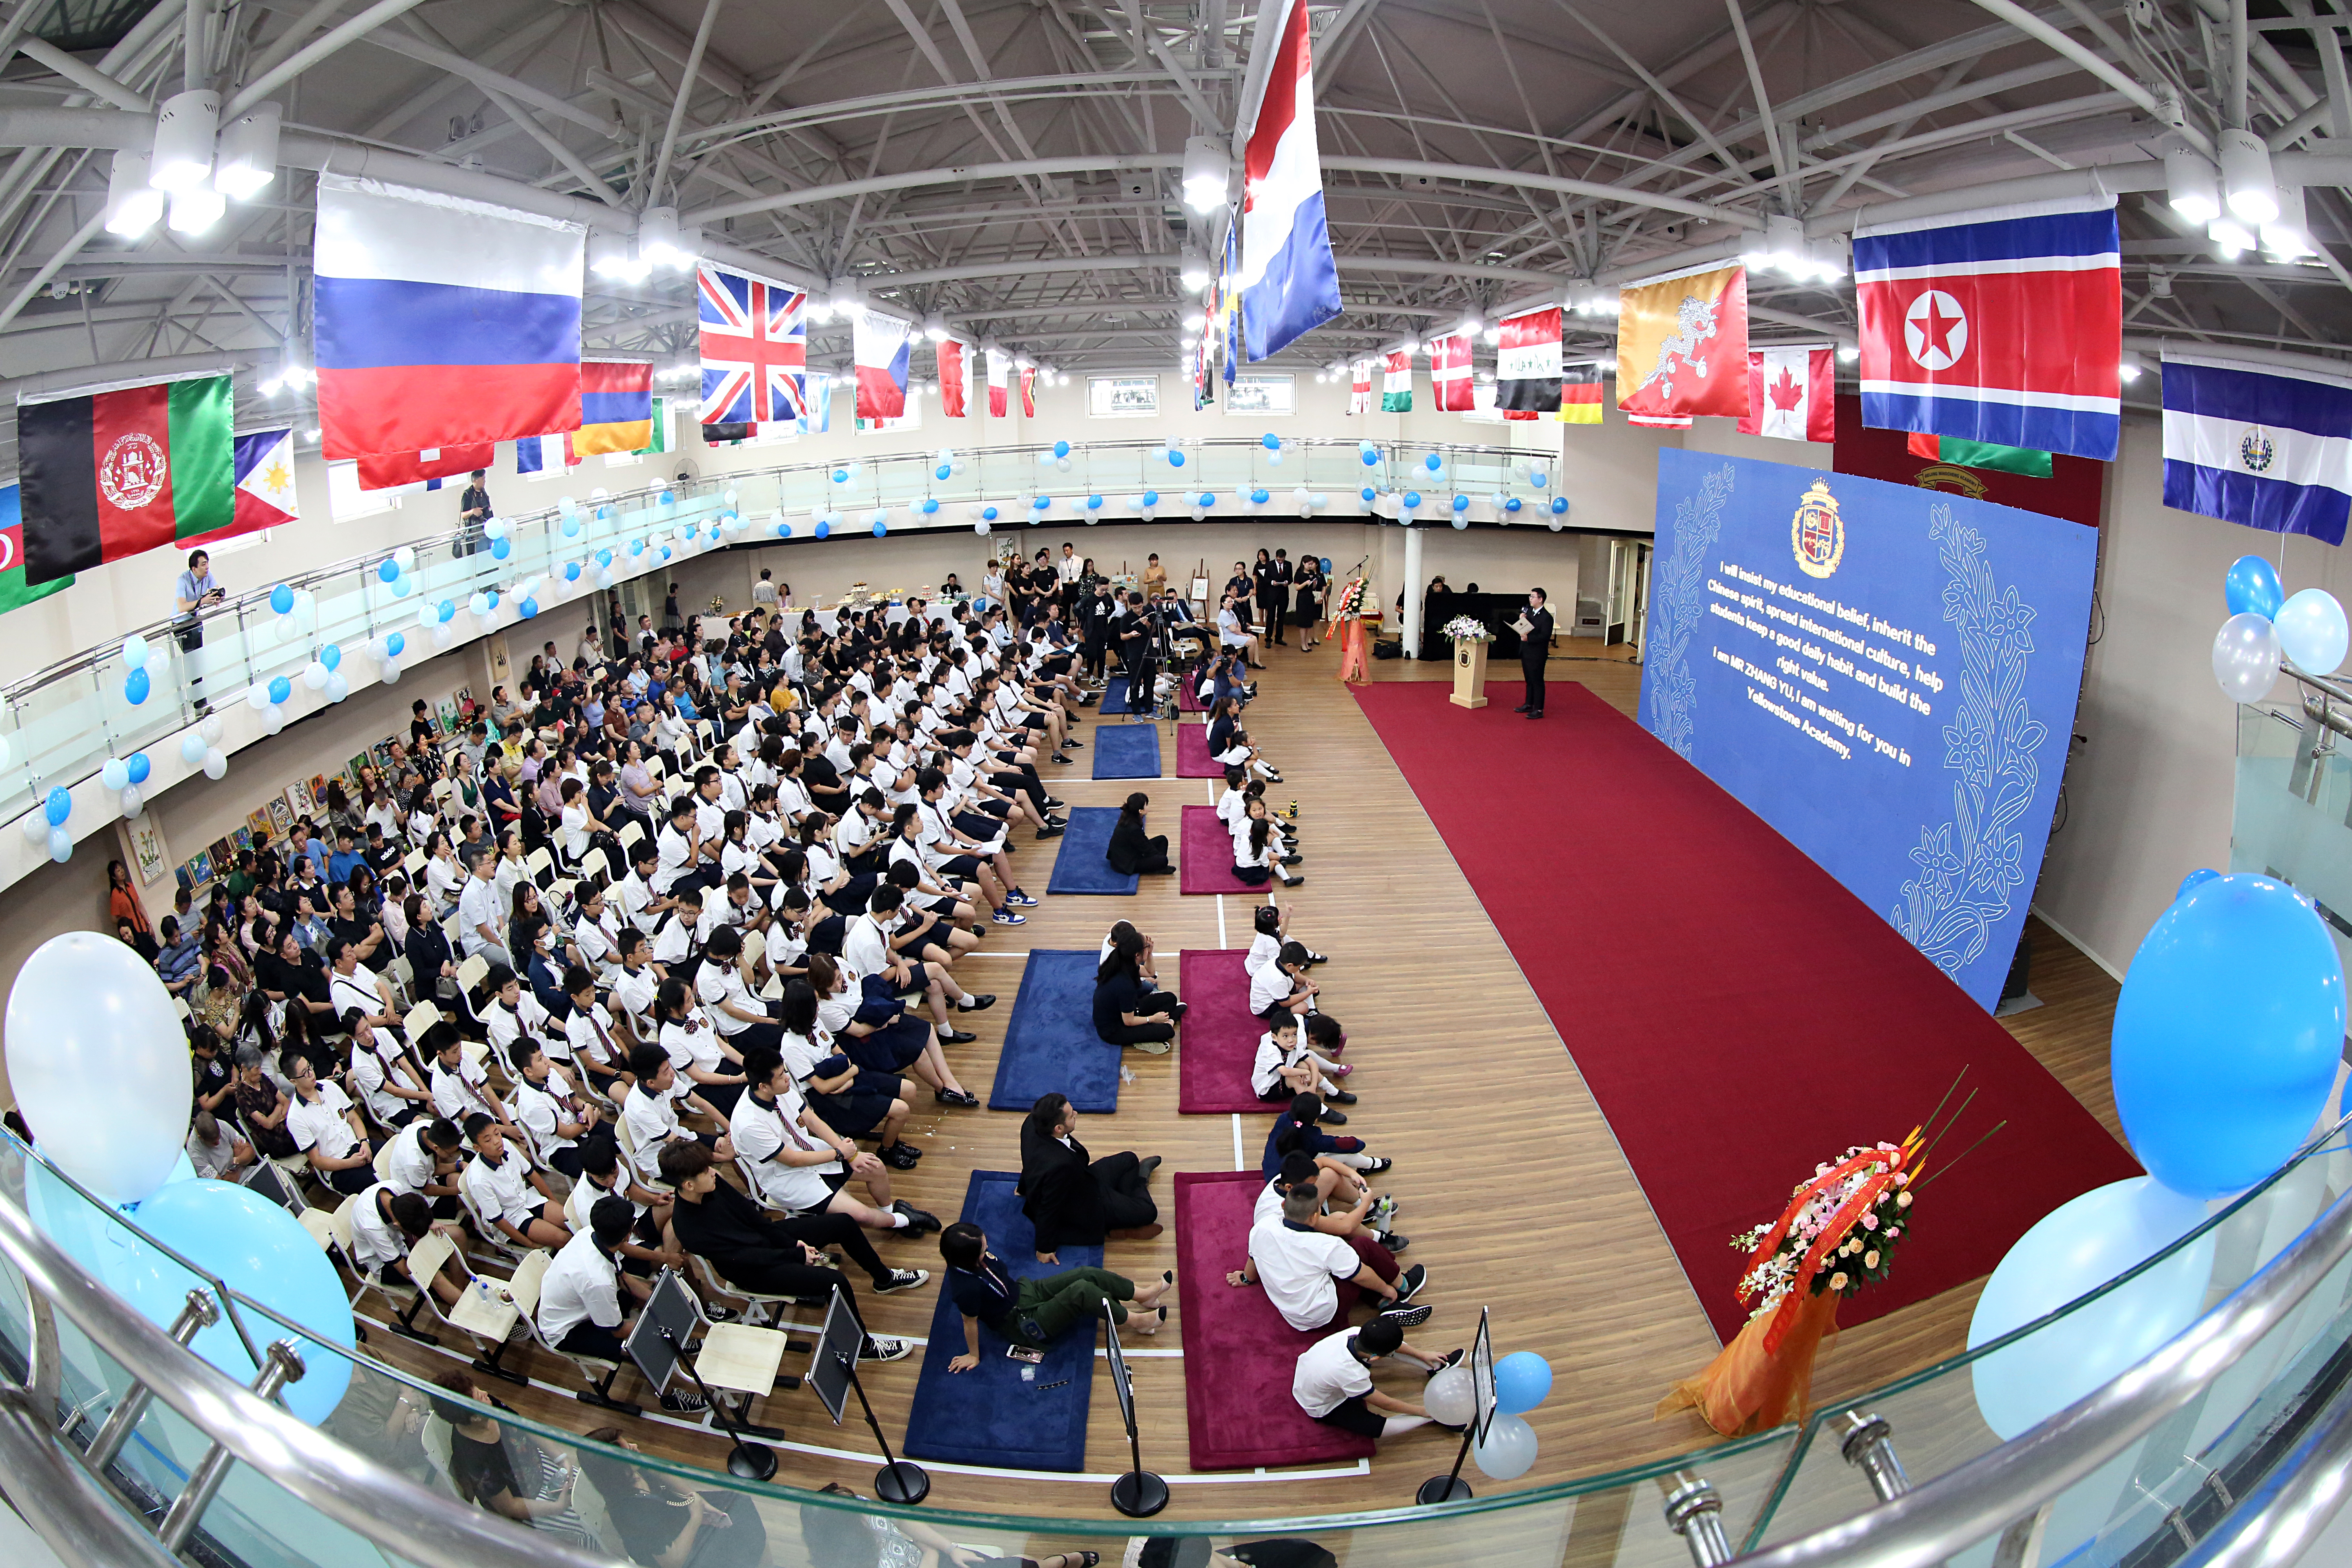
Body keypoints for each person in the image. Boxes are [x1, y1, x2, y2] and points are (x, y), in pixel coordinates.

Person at [533, 1198, 707, 1413]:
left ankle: (675, 1342)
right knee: (641, 1344)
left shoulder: (590, 1234)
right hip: (567, 1331)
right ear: (628, 1234)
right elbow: (617, 1331)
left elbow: (622, 1276)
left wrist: (658, 1303)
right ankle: (668, 1396)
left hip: (583, 1305)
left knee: (648, 1300)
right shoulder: (597, 1280)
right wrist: (663, 1332)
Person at [939, 1221, 1169, 1370]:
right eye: (982, 1249)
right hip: (1023, 1323)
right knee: (1082, 1291)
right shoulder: (965, 1289)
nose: (987, 1248)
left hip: (1026, 1292)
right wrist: (973, 1355)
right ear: (969, 1259)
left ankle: (1143, 1296)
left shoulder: (975, 1258)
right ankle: (1136, 1321)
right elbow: (969, 1323)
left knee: (1086, 1273)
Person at [428, 1369, 608, 1542]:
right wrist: (557, 1508)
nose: (486, 1393)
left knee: (594, 1488)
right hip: (529, 1501)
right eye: (479, 1396)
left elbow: (526, 1427)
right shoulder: (473, 1457)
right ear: (474, 1417)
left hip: (542, 1467)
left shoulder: (488, 1406)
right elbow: (509, 1507)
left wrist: (562, 1460)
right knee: (587, 1526)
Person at [1228, 1185, 1428, 1331]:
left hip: (1292, 1312)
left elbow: (1253, 1259)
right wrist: (1388, 1289)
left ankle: (1383, 1304)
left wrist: (1246, 1278)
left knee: (1346, 1262)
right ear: (1316, 1216)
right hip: (1322, 1315)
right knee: (1362, 1247)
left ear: (1283, 1205)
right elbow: (1361, 1275)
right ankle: (1403, 1287)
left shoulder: (1263, 1227)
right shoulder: (1326, 1246)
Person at [575, 1430, 768, 1568]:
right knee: (741, 1538)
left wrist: (701, 1502)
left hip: (675, 1514)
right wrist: (696, 1517)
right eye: (629, 1450)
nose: (634, 1446)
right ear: (618, 1469)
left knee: (738, 1503)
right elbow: (673, 1562)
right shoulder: (635, 1516)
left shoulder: (629, 1474)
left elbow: (661, 1473)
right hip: (678, 1547)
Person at [1018, 1092, 1160, 1261]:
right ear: (1059, 1128)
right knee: (1149, 1212)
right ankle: (1140, 1183)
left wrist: (1023, 1189)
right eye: (1071, 1115)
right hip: (1086, 1206)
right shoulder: (1060, 1166)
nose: (1076, 1114)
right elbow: (1049, 1209)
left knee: (1129, 1159)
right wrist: (1044, 1248)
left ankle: (1124, 1209)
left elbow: (1029, 1162)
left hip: (1082, 1179)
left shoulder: (1032, 1123)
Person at [1291, 1315, 1460, 1445]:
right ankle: (1435, 1417)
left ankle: (1435, 1366)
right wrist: (1423, 1411)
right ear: (1375, 1358)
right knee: (1374, 1427)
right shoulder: (1352, 1374)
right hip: (1322, 1405)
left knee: (1387, 1345)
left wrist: (1422, 1355)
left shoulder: (1355, 1332)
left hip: (1313, 1372)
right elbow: (1386, 1404)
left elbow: (1393, 1346)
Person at [1092, 924, 1185, 1053]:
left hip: (1126, 1011)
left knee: (1170, 998)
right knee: (1167, 1032)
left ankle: (1166, 1021)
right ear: (1137, 955)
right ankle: (1170, 1021)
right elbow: (1129, 1021)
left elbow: (1149, 972)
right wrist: (1153, 1019)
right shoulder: (1124, 985)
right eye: (1146, 948)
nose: (1148, 948)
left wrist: (1150, 953)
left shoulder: (1124, 961)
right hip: (1115, 1028)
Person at [173, 548, 225, 712]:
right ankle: (198, 704)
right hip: (181, 625)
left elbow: (216, 589)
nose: (207, 567)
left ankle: (201, 702)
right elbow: (182, 607)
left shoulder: (207, 575)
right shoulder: (183, 580)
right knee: (193, 664)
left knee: (199, 662)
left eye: (208, 563)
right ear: (194, 569)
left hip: (195, 621)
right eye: (203, 564)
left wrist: (217, 597)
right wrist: (203, 601)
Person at [1106, 791, 1172, 876]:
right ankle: (1158, 868)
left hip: (1128, 851)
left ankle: (1158, 867)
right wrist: (1158, 858)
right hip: (1126, 863)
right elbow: (1145, 848)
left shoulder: (1129, 817)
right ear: (1140, 811)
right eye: (1146, 806)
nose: (1148, 808)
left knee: (1162, 840)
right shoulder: (1133, 828)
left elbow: (1143, 842)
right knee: (1163, 860)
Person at [1514, 587, 1555, 719]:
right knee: (1529, 680)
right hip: (1526, 651)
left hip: (1537, 654)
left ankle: (1539, 709)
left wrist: (1528, 639)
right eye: (1530, 597)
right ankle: (1529, 704)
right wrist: (1521, 620)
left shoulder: (1547, 618)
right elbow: (1525, 628)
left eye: (1533, 597)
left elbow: (1544, 637)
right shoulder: (1529, 612)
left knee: (1537, 681)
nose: (1530, 599)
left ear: (1540, 599)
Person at [457, 470, 492, 558]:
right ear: (475, 480)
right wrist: (473, 511)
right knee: (483, 558)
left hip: (489, 529)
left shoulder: (484, 492)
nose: (485, 481)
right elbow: (463, 515)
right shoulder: (468, 495)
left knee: (491, 556)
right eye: (483, 479)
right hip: (477, 533)